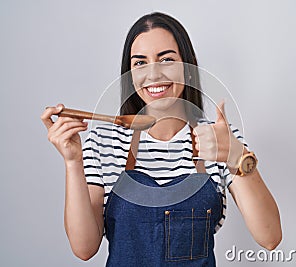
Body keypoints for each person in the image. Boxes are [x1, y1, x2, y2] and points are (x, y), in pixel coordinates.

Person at [41, 12, 281, 266]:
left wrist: (236, 155)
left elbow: (270, 237)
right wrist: (72, 162)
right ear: (130, 75)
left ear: (188, 68)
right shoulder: (102, 142)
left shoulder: (218, 139)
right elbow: (84, 248)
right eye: (140, 63)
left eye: (166, 59)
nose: (153, 74)